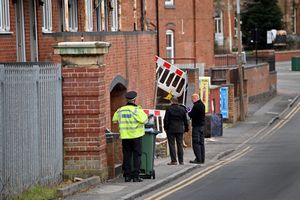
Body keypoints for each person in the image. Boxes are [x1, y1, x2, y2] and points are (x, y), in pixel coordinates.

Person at [112, 91, 148, 182]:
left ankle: (127, 176)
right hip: (136, 136)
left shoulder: (120, 110)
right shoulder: (137, 110)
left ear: (127, 100)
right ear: (134, 100)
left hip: (125, 137)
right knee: (137, 156)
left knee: (127, 156)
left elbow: (114, 120)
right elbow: (145, 120)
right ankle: (136, 176)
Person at [163, 97, 189, 165]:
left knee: (172, 145)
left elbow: (166, 120)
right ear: (177, 101)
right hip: (180, 129)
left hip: (171, 129)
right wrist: (186, 129)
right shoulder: (182, 109)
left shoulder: (169, 109)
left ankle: (174, 161)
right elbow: (185, 120)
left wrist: (165, 128)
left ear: (171, 101)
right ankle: (181, 161)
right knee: (180, 144)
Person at [188, 93, 206, 164]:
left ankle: (198, 159)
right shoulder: (202, 105)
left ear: (194, 98)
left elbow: (191, 115)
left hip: (196, 127)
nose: (192, 101)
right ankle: (202, 159)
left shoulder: (196, 106)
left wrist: (188, 111)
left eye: (192, 99)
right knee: (201, 143)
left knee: (196, 143)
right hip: (202, 126)